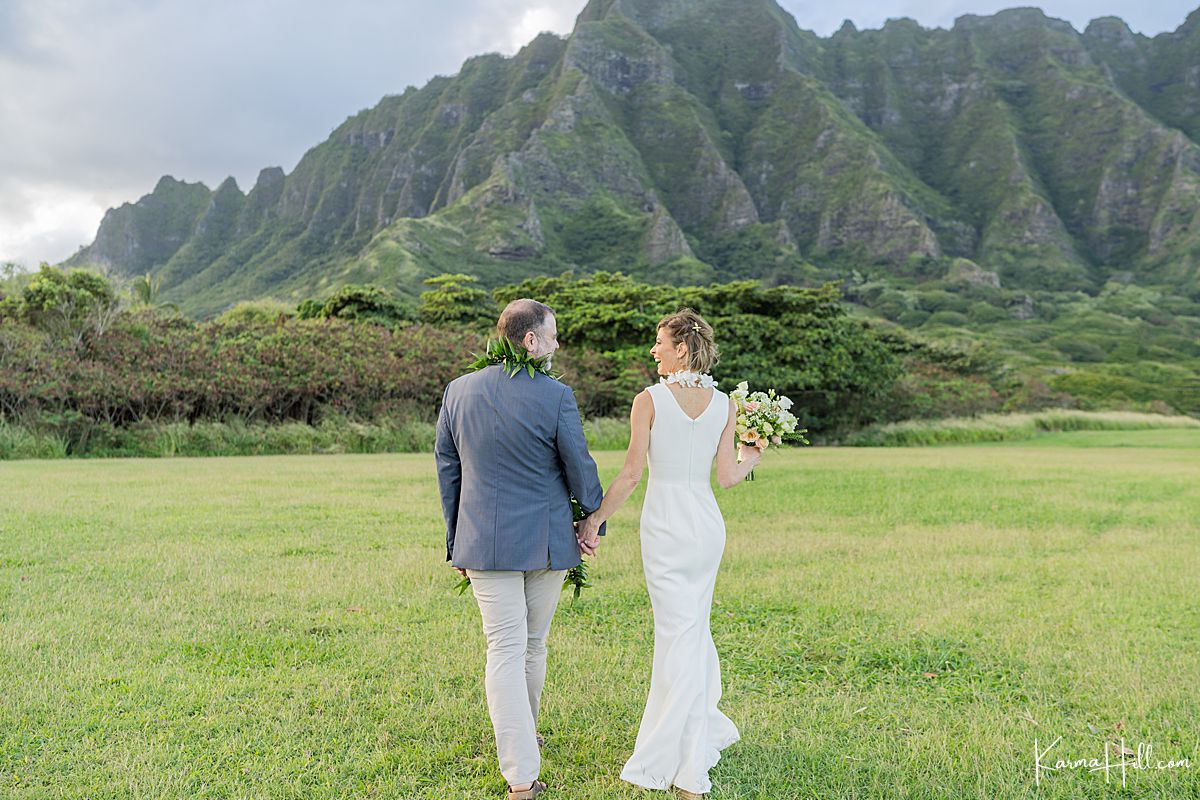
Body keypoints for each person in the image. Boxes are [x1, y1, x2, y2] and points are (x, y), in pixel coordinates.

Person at [576, 308, 761, 799]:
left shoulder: (649, 400)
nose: (654, 351)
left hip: (665, 530)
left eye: (660, 343)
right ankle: (689, 745)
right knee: (691, 633)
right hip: (706, 529)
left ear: (682, 347)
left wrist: (592, 520)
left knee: (679, 638)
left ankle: (688, 771)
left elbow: (633, 474)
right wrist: (754, 457)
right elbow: (726, 477)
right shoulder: (725, 404)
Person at [435, 299, 605, 800]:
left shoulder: (457, 391)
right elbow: (580, 467)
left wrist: (456, 543)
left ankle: (521, 757)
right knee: (528, 645)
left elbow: (450, 474)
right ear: (530, 341)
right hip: (548, 542)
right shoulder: (555, 395)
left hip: (483, 543)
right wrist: (593, 519)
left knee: (508, 648)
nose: (557, 344)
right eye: (553, 335)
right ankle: (521, 774)